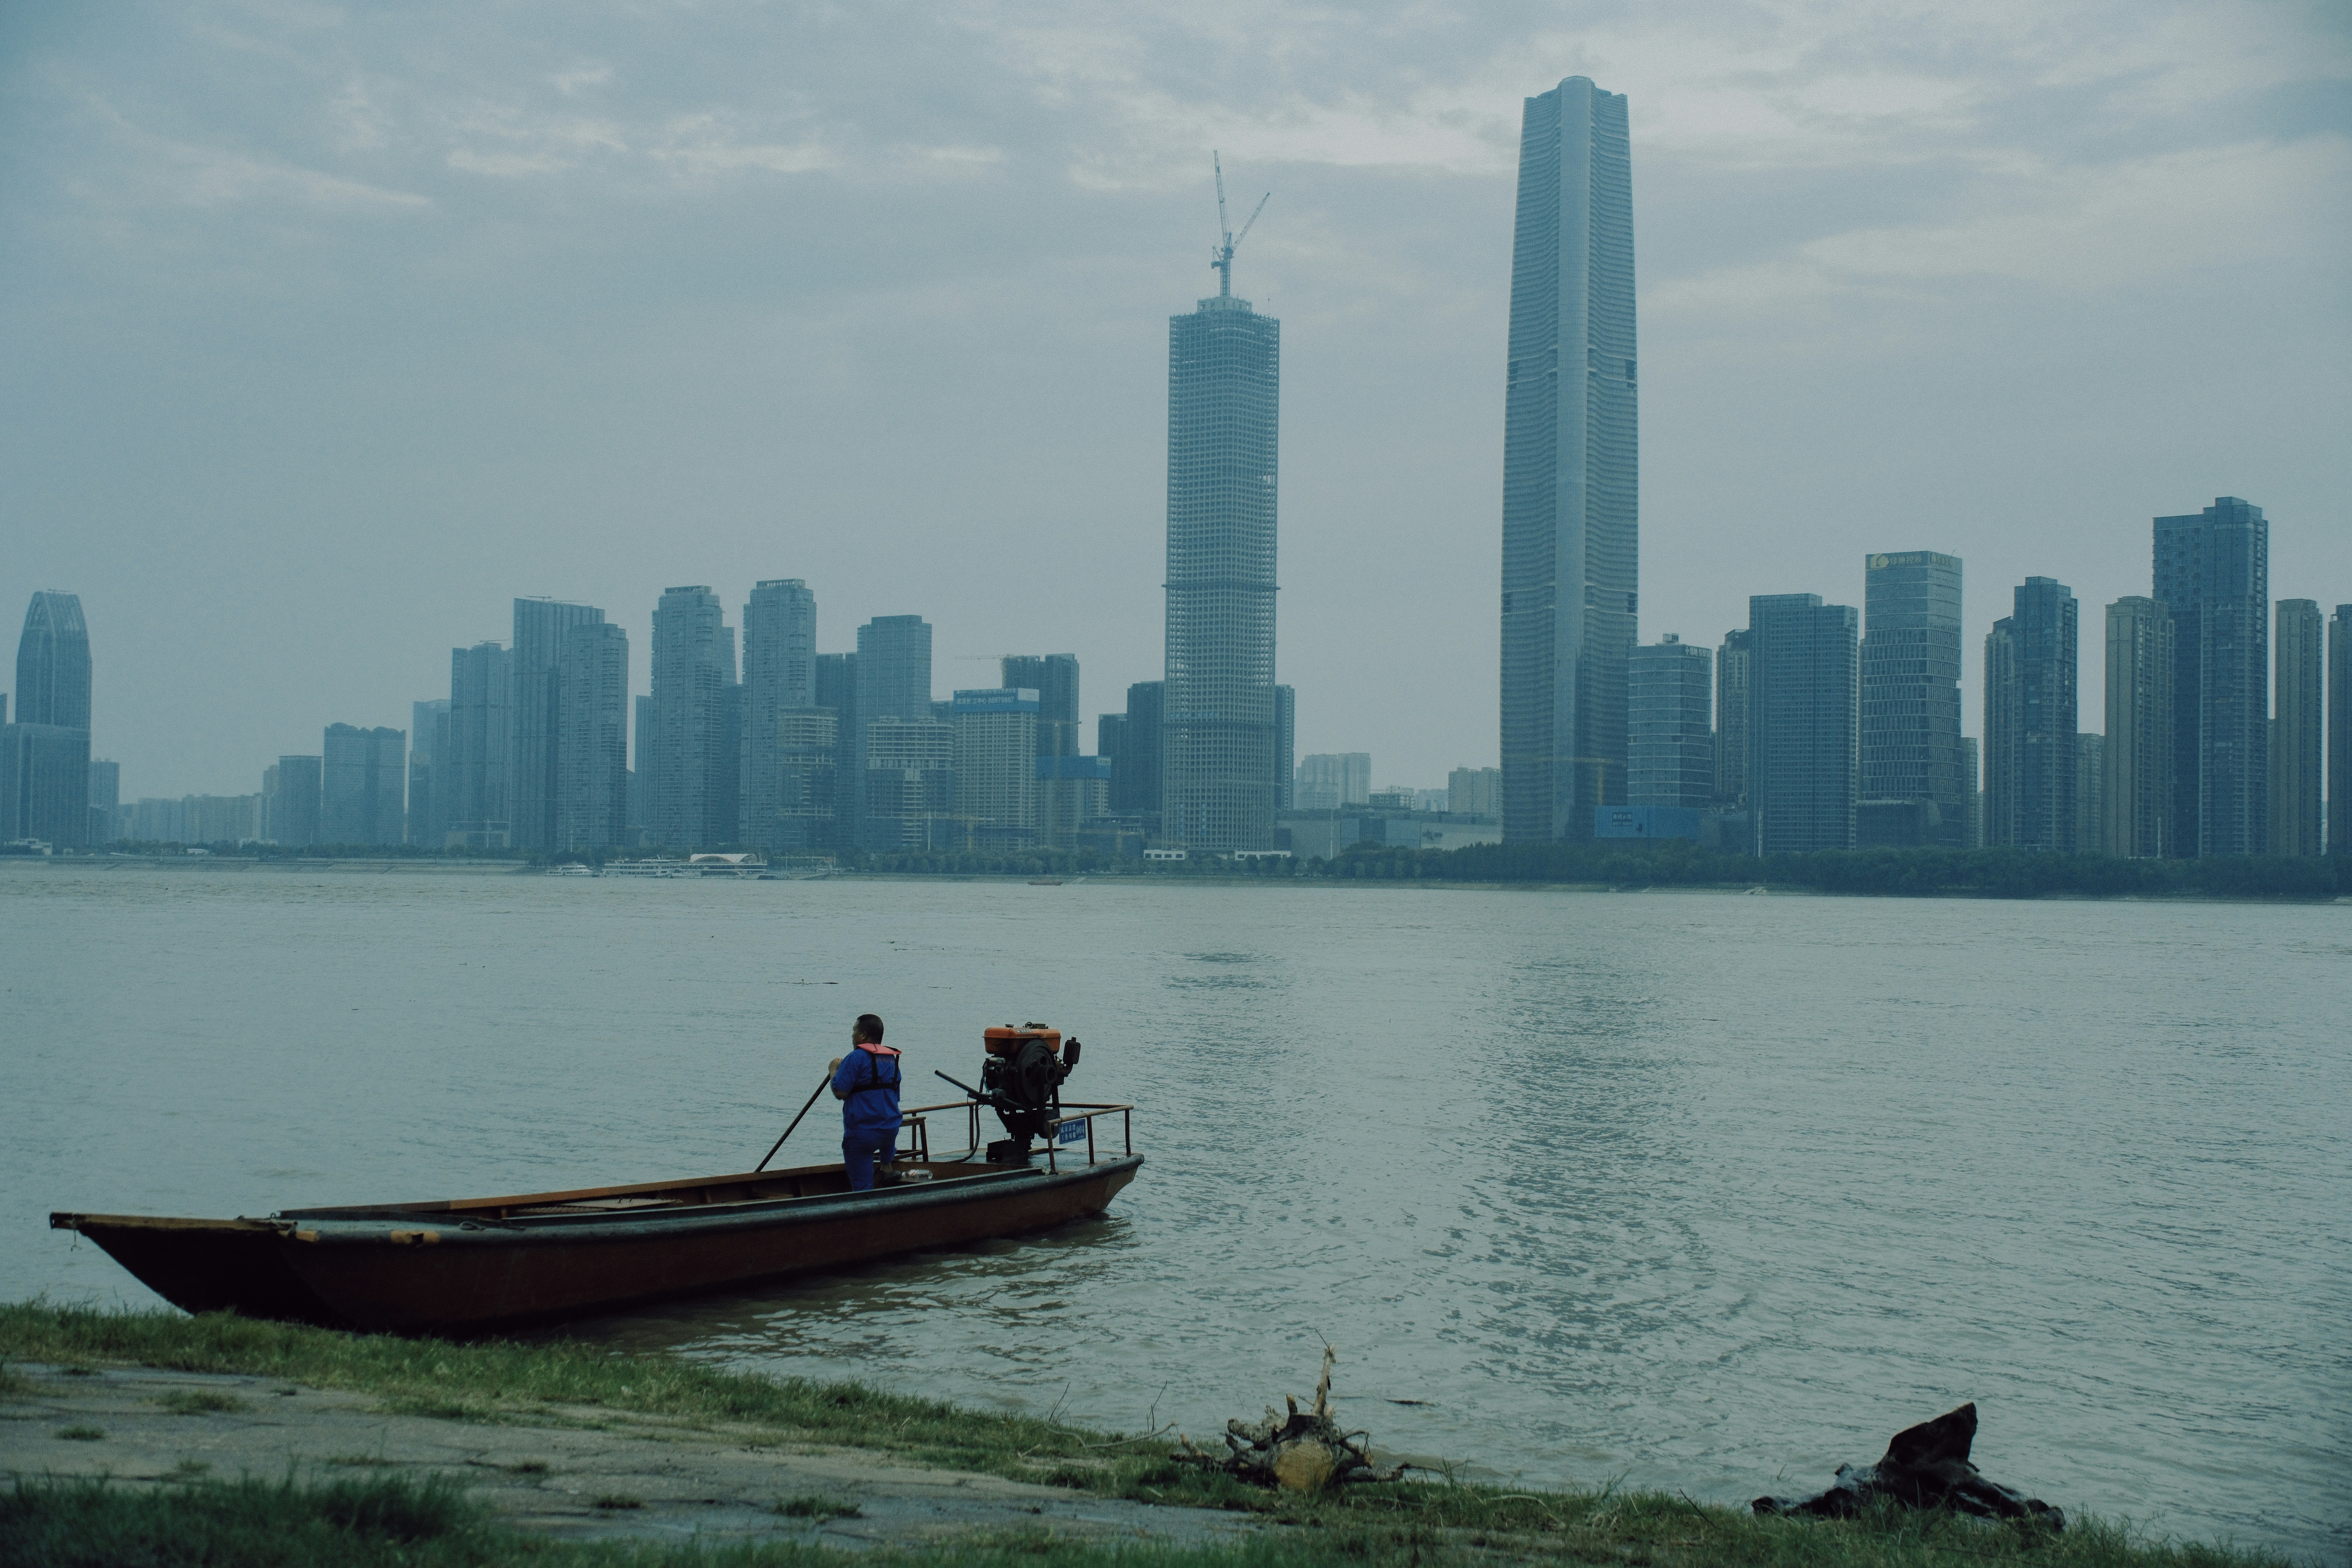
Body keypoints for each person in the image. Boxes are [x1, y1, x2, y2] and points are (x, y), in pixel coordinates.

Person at [829, 1013, 903, 1192]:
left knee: (862, 1188)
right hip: (890, 1129)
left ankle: (865, 1208)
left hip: (863, 1133)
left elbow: (840, 1092)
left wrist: (834, 1070)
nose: (852, 1035)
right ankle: (886, 1167)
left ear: (863, 1036)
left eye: (854, 1031)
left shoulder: (855, 1057)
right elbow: (895, 1095)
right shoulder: (891, 1059)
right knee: (885, 1136)